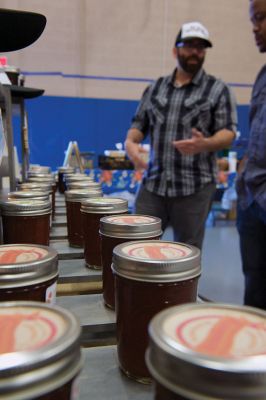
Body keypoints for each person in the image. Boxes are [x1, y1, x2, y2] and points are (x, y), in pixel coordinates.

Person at [125, 21, 237, 250]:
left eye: (201, 47)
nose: (195, 51)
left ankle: (182, 288)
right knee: (137, 247)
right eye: (189, 45)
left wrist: (205, 144)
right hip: (153, 185)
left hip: (194, 188)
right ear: (175, 50)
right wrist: (130, 142)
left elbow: (228, 133)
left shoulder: (218, 90)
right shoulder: (155, 88)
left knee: (187, 253)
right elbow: (139, 124)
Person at [236, 0, 266, 310]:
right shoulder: (262, 75)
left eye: (260, 18)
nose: (255, 28)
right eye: (252, 19)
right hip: (252, 200)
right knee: (254, 293)